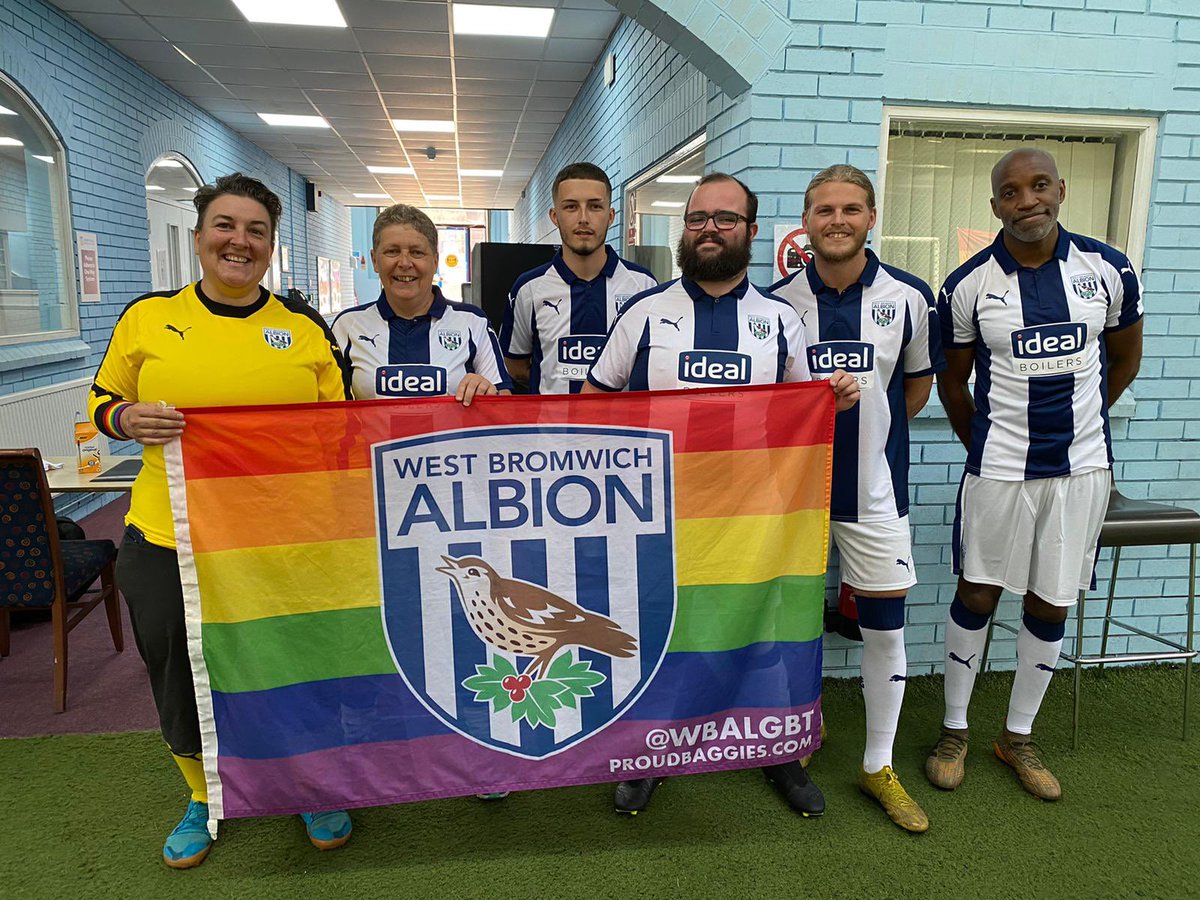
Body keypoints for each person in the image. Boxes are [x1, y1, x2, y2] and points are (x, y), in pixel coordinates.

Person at [87, 173, 354, 868]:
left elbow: (343, 428)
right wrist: (123, 417)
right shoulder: (148, 318)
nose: (240, 241)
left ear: (271, 247)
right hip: (169, 536)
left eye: (256, 231)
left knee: (292, 665)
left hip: (280, 540)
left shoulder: (301, 330)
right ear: (201, 234)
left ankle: (307, 783)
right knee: (180, 670)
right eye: (226, 226)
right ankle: (203, 794)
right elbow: (101, 402)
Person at [584, 172, 861, 816]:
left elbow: (807, 409)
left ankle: (780, 751)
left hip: (756, 521)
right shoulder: (644, 314)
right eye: (699, 218)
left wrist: (837, 398)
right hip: (661, 514)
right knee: (661, 630)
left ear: (751, 232)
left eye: (726, 219)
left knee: (768, 630)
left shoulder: (781, 320)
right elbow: (595, 408)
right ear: (684, 229)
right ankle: (650, 754)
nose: (711, 229)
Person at [927, 148, 1143, 801]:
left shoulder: (1108, 269)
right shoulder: (967, 285)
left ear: (1060, 190)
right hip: (999, 472)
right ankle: (955, 730)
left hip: (1080, 472)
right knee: (979, 594)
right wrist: (989, 445)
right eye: (1012, 191)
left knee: (1053, 599)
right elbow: (952, 384)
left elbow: (1123, 361)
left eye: (1039, 186)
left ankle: (1017, 736)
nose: (1028, 200)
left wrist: (1079, 429)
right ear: (995, 205)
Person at [770, 165, 945, 833]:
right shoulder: (776, 302)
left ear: (871, 217)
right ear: (806, 222)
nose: (836, 220)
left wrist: (868, 439)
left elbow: (915, 388)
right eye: (823, 209)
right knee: (784, 625)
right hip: (792, 497)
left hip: (876, 495)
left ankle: (878, 764)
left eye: (850, 208)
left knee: (884, 626)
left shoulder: (908, 296)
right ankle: (782, 750)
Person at [500, 162, 656, 393]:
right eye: (571, 207)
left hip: (621, 429)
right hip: (551, 429)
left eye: (595, 207)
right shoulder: (529, 289)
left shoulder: (643, 285)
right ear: (555, 216)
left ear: (611, 215)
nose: (583, 218)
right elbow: (514, 366)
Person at [332, 204, 512, 403]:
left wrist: (487, 391)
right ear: (375, 260)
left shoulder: (473, 321)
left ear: (435, 261)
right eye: (392, 251)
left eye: (417, 252)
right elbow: (330, 407)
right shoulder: (347, 325)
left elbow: (503, 401)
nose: (404, 263)